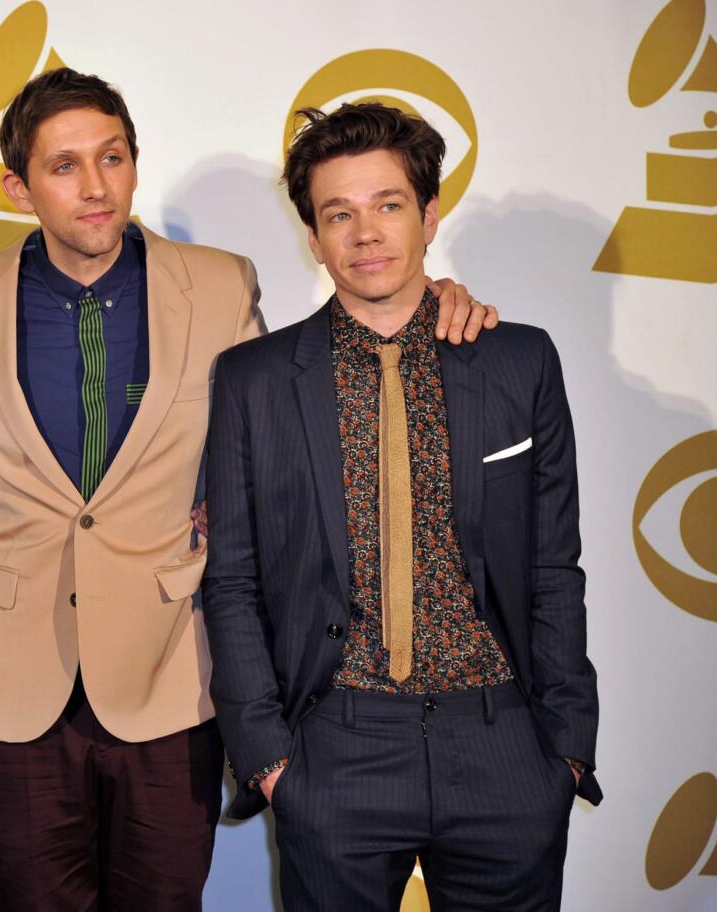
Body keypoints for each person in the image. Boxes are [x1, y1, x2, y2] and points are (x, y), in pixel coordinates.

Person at [0, 70, 495, 910]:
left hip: (170, 678)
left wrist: (432, 300)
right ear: (17, 186)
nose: (95, 187)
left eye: (112, 158)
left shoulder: (222, 285)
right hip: (15, 688)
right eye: (64, 166)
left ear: (135, 161)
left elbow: (290, 415)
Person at [201, 102, 601, 912]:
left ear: (429, 214)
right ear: (312, 237)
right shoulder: (254, 379)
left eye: (387, 205)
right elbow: (233, 581)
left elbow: (554, 565)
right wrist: (271, 761)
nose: (364, 233)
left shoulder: (518, 360)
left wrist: (562, 749)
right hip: (334, 746)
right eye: (337, 213)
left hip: (503, 745)